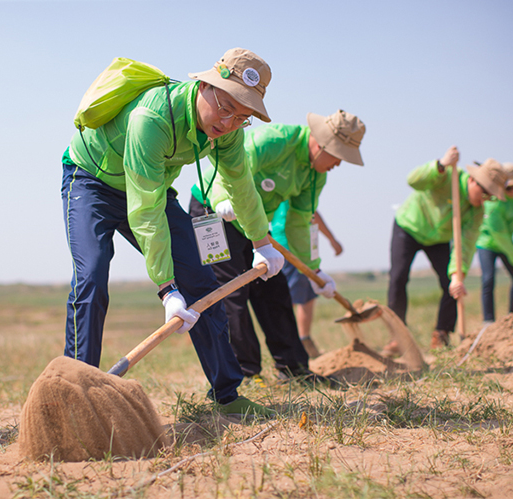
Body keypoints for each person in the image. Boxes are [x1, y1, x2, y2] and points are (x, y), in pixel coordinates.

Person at [61, 48, 284, 417]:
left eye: (243, 117)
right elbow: (145, 211)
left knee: (202, 282)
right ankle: (77, 393)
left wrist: (261, 241)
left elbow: (241, 182)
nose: (230, 123)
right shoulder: (153, 117)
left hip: (152, 188)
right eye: (226, 108)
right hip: (91, 183)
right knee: (92, 276)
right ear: (204, 87)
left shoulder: (226, 131)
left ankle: (227, 395)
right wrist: (166, 288)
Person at [189, 110, 365, 385]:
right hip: (213, 211)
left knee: (273, 289)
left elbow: (298, 222)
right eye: (339, 157)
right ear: (322, 145)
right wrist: (222, 197)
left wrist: (315, 271)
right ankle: (246, 373)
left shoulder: (316, 175)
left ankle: (294, 370)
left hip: (253, 222)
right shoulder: (274, 141)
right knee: (232, 291)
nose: (339, 165)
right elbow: (227, 166)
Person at [385, 147, 506, 351]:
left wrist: (457, 276)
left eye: (490, 197)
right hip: (410, 227)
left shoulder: (476, 212)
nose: (485, 199)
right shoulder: (448, 175)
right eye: (485, 193)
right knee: (398, 278)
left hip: (439, 239)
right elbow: (413, 180)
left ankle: (442, 334)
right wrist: (439, 166)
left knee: (451, 284)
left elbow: (465, 246)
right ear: (473, 181)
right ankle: (398, 336)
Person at [272, 204, 342, 359]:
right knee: (298, 298)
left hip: (296, 247)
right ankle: (297, 344)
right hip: (291, 248)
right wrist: (332, 239)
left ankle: (300, 341)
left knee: (305, 296)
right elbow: (312, 213)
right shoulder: (292, 186)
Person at [475, 162, 513, 323]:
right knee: (488, 279)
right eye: (509, 188)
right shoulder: (493, 205)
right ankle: (488, 321)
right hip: (488, 243)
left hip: (506, 240)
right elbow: (502, 238)